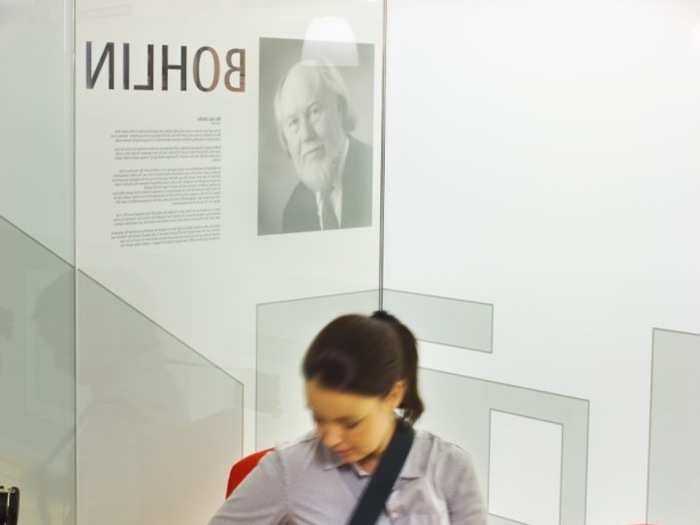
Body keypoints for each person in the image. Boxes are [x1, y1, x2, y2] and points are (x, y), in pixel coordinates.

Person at [209, 311, 487, 524]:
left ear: (394, 395)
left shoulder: (450, 466)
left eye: (350, 423)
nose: (330, 438)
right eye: (319, 418)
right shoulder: (288, 468)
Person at [273, 59, 372, 233]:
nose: (305, 134)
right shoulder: (293, 212)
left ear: (340, 108)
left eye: (314, 111)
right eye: (293, 122)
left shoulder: (374, 171)